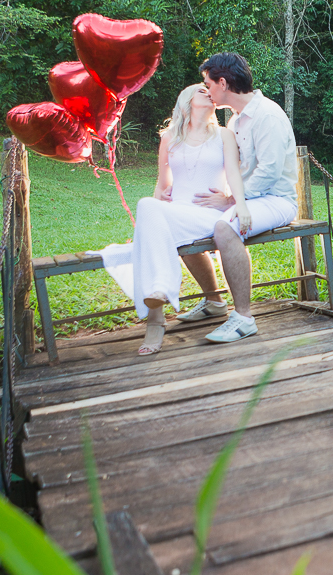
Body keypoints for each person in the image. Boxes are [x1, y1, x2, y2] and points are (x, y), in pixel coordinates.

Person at [94, 83, 251, 355]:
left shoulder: (224, 135)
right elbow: (162, 185)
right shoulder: (170, 138)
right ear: (186, 101)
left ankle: (157, 316)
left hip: (210, 213)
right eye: (201, 90)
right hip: (177, 212)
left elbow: (234, 175)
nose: (209, 92)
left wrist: (235, 202)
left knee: (148, 210)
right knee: (148, 205)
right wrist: (150, 219)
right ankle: (159, 306)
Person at [177, 52, 298, 343]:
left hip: (277, 200)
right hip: (248, 199)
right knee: (183, 221)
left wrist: (231, 201)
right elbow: (232, 169)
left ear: (223, 83)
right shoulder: (235, 121)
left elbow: (268, 173)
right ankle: (214, 301)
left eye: (208, 84)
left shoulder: (267, 115)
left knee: (224, 227)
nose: (206, 90)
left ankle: (243, 318)